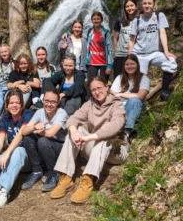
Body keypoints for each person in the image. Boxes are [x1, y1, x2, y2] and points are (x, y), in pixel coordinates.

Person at [49, 76, 129, 204]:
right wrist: (74, 130)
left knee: (104, 138)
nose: (97, 92)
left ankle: (87, 180)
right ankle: (66, 177)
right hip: (96, 150)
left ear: (106, 87)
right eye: (93, 90)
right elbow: (72, 119)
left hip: (117, 151)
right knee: (76, 130)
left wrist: (91, 137)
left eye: (99, 88)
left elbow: (116, 124)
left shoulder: (116, 104)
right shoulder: (90, 104)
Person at [127, 0, 178, 100]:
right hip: (139, 54)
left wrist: (166, 52)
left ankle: (164, 91)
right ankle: (140, 102)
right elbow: (132, 40)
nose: (147, 5)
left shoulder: (159, 16)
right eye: (145, 3)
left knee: (171, 61)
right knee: (140, 79)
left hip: (155, 53)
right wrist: (129, 57)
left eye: (149, 3)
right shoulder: (136, 20)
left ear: (154, 4)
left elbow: (162, 34)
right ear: (141, 5)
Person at [18, 88, 70, 192]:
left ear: (58, 102)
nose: (49, 104)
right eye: (46, 101)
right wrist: (34, 127)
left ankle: (53, 173)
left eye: (53, 102)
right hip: (45, 148)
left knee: (43, 140)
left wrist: (38, 131)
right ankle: (37, 171)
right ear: (43, 100)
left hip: (60, 148)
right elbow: (24, 131)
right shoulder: (39, 112)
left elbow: (50, 133)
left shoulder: (61, 113)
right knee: (28, 138)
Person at [110, 54, 150, 131]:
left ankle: (126, 131)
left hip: (137, 108)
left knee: (134, 100)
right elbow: (112, 91)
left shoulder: (144, 78)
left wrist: (120, 94)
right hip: (121, 107)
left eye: (132, 64)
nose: (129, 66)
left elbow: (140, 96)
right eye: (127, 64)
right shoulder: (120, 78)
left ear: (137, 65)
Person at [112, 0, 139, 78]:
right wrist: (115, 53)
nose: (129, 8)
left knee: (131, 78)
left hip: (134, 54)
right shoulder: (120, 20)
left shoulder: (140, 20)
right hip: (120, 54)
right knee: (118, 77)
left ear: (136, 6)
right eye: (127, 6)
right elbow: (115, 38)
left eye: (131, 5)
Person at [83, 10, 113, 81]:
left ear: (101, 20)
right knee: (91, 83)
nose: (96, 21)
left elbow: (110, 50)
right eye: (94, 19)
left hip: (104, 63)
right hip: (92, 63)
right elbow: (77, 32)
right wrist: (67, 33)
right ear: (92, 20)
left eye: (98, 19)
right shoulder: (89, 31)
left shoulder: (105, 33)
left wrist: (109, 65)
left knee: (103, 83)